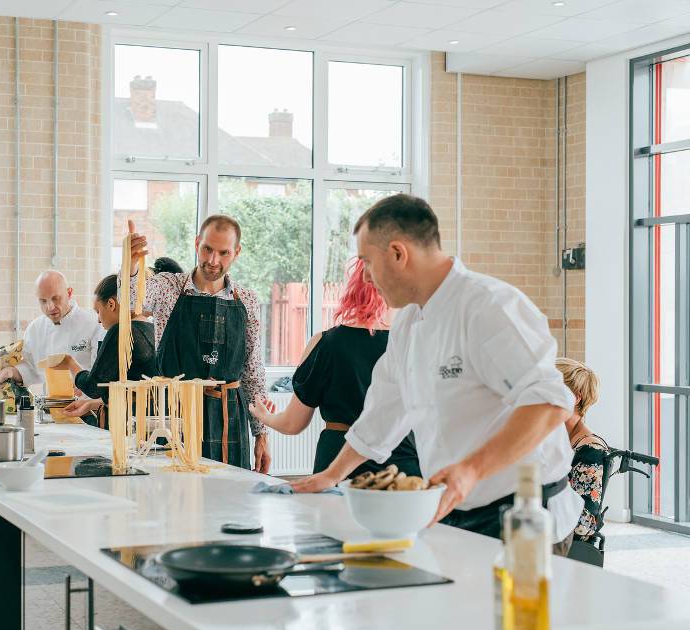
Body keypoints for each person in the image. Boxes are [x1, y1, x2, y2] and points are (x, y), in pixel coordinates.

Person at [291, 194, 582, 555]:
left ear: (398, 253)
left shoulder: (489, 306)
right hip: (453, 509)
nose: (365, 275)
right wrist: (331, 476)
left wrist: (471, 470)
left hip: (523, 517)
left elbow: (550, 405)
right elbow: (382, 415)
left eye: (367, 261)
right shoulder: (409, 323)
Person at [248, 259, 420, 478]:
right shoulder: (410, 342)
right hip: (401, 461)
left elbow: (293, 424)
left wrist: (264, 416)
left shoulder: (326, 343)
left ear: (351, 290)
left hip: (337, 463)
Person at [125, 216, 270, 472]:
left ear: (236, 253)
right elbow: (131, 299)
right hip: (175, 411)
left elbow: (252, 371)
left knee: (230, 500)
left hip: (229, 416)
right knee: (175, 498)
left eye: (223, 253)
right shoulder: (168, 287)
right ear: (196, 244)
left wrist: (262, 434)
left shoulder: (246, 299)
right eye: (207, 249)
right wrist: (132, 266)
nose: (213, 261)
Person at [50, 274, 159, 423]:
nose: (99, 320)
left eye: (98, 311)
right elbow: (132, 391)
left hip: (131, 426)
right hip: (149, 421)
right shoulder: (151, 328)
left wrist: (70, 363)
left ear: (111, 304)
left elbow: (94, 387)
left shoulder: (122, 331)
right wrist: (91, 404)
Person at [0, 270, 105, 397]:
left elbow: (101, 373)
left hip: (87, 408)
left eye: (55, 299)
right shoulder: (35, 329)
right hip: (50, 410)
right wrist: (11, 372)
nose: (50, 307)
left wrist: (85, 385)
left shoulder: (94, 322)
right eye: (43, 301)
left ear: (69, 293)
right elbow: (30, 368)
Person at [555, 357, 607, 541]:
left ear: (576, 397)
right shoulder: (557, 435)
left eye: (555, 391)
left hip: (566, 541)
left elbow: (584, 525)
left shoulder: (591, 449)